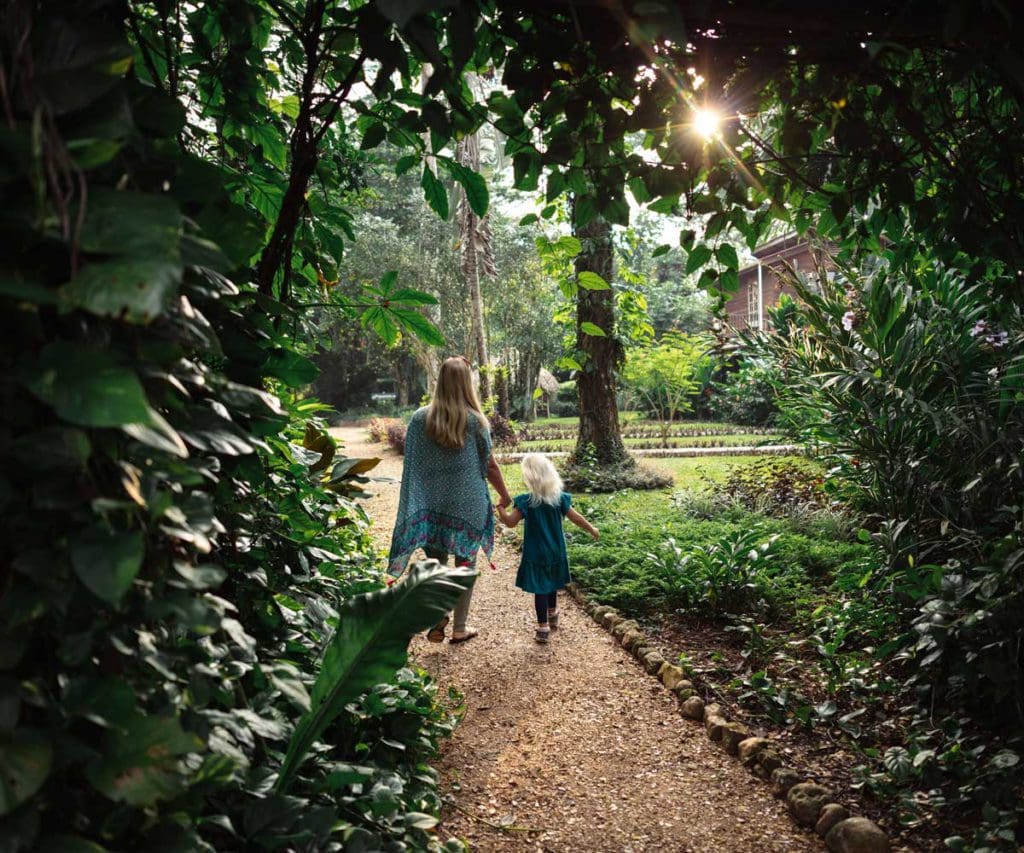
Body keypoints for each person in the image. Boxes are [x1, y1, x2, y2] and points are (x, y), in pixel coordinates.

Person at [388, 356, 512, 644]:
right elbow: (489, 465)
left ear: (441, 380)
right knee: (465, 562)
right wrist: (504, 495)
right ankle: (459, 628)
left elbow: (413, 464)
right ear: (467, 384)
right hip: (467, 504)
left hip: (433, 505)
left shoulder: (420, 419)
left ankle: (436, 616)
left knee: (437, 563)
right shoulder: (475, 421)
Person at [496, 453, 599, 644]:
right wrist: (591, 529)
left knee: (540, 588)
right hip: (555, 550)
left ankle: (542, 627)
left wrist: (500, 507)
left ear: (529, 477)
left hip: (536, 552)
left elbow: (510, 523)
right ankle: (553, 613)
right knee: (551, 581)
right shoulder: (558, 499)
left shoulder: (526, 501)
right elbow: (575, 518)